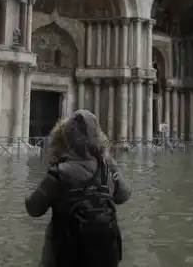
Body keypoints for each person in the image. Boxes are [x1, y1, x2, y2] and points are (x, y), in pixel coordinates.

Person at [26, 109, 131, 267]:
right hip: (104, 258)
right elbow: (124, 195)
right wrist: (108, 159)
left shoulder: (59, 173)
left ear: (64, 138)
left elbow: (34, 209)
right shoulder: (106, 169)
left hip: (63, 259)